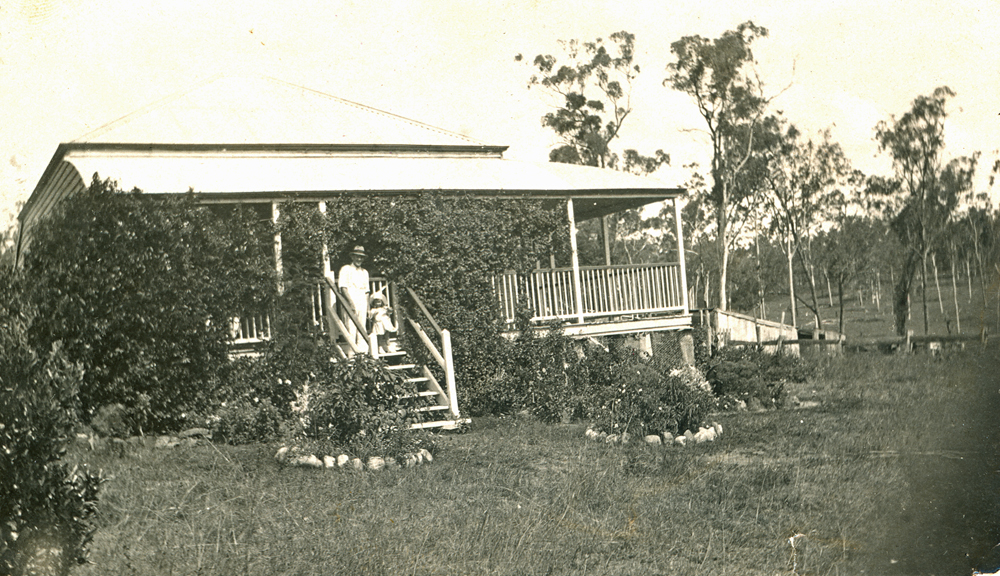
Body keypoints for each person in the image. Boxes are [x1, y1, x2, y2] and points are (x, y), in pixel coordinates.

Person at [338, 245, 370, 353]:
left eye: (361, 257)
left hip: (362, 300)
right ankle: (352, 354)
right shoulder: (346, 269)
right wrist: (350, 303)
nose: (359, 259)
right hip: (350, 299)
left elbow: (366, 291)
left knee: (362, 327)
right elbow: (343, 288)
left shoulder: (364, 272)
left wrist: (368, 307)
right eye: (357, 257)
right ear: (352, 257)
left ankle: (362, 354)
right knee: (351, 327)